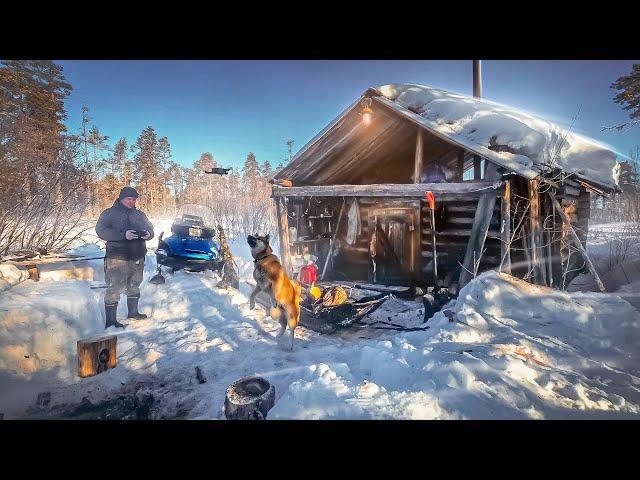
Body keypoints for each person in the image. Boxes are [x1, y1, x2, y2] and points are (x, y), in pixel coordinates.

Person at [95, 186, 154, 329]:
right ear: (121, 198)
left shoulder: (140, 214)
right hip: (117, 257)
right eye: (129, 199)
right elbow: (101, 231)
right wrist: (123, 235)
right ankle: (111, 321)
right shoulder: (109, 213)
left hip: (137, 256)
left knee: (134, 285)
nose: (132, 202)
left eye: (134, 199)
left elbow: (151, 229)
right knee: (114, 288)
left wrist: (148, 234)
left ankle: (133, 313)